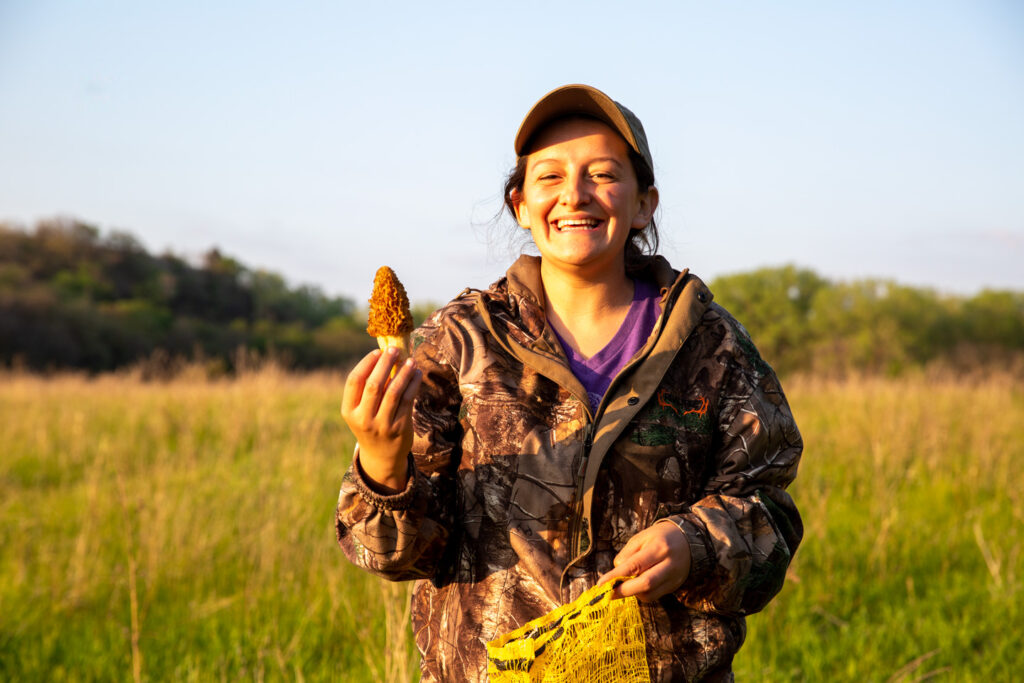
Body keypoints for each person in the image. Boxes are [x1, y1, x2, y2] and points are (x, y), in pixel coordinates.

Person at [337, 84, 803, 682]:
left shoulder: (710, 345)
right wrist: (381, 464)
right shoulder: (457, 342)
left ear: (643, 205)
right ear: (521, 206)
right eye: (549, 177)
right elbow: (395, 555)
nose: (574, 194)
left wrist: (696, 545)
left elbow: (771, 517)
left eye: (602, 174)